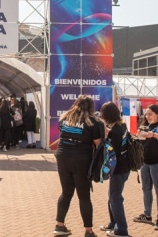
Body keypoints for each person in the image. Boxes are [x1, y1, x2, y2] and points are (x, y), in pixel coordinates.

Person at [54, 95, 103, 237]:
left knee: (66, 192)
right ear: (91, 107)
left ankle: (59, 225)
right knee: (84, 196)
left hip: (62, 156)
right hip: (81, 158)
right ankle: (88, 231)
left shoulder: (64, 117)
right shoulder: (92, 121)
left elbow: (62, 133)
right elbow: (98, 143)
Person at [133, 104, 158, 231]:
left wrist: (154, 135)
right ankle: (147, 214)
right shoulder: (146, 125)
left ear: (157, 114)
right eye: (146, 114)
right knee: (146, 189)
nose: (147, 116)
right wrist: (138, 135)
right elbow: (139, 142)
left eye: (150, 114)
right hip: (145, 163)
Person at [99, 102, 131, 237]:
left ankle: (121, 229)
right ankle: (113, 223)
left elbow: (112, 150)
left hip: (119, 168)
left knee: (115, 198)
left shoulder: (115, 131)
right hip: (123, 167)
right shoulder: (122, 126)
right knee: (112, 196)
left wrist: (106, 136)